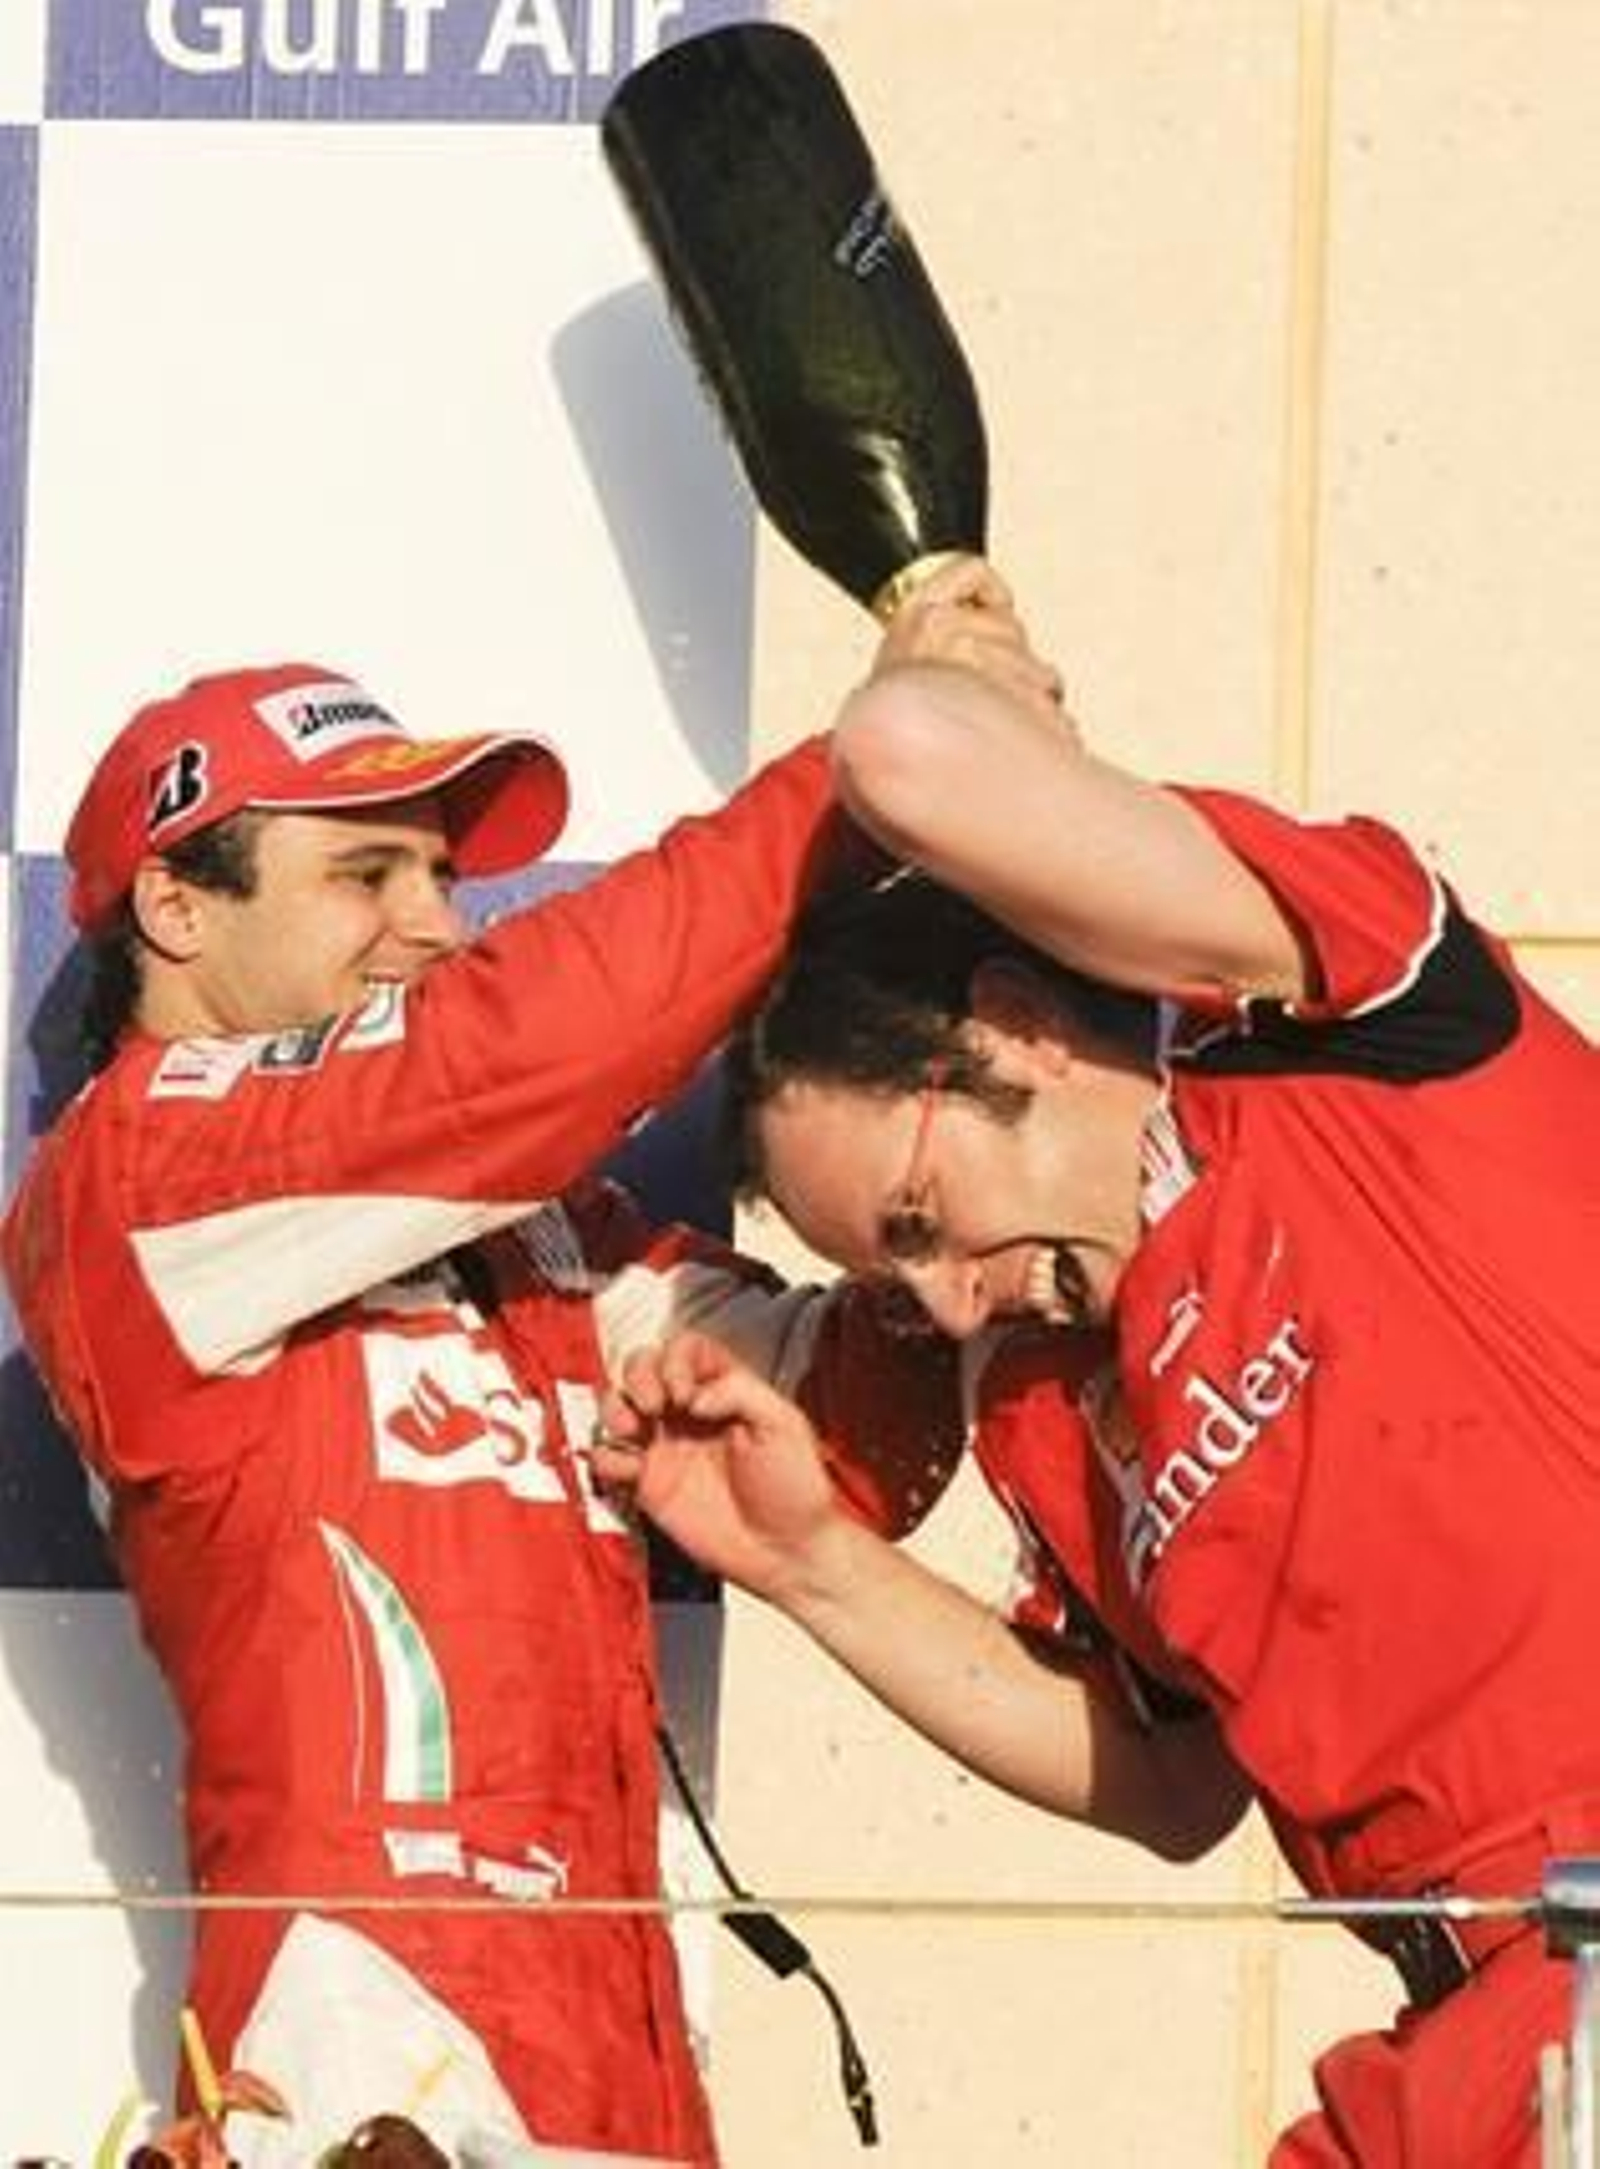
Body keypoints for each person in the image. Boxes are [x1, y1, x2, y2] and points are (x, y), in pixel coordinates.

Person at [595, 556, 1600, 2169]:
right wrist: (808, 1560)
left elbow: (913, 753)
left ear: (1010, 1024)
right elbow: (1167, 1786)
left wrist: (952, 649)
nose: (943, 1301)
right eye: (886, 1273)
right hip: (1453, 2029)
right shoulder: (1042, 1395)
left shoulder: (1325, 1029)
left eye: (920, 1216)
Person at [0, 655, 983, 2166]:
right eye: (366, 872)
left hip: (617, 2045)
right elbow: (520, 1052)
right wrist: (867, 776)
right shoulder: (128, 1179)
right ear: (178, 908)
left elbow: (846, 1438)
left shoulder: (530, 1231)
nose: (439, 927)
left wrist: (941, 1212)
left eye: (444, 875)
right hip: (364, 2056)